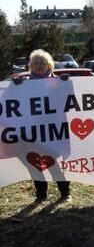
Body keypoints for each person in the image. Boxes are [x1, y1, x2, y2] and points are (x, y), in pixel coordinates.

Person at [13, 49, 72, 203]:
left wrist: (65, 83)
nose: (39, 66)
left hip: (50, 131)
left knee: (52, 162)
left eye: (42, 63)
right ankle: (41, 195)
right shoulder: (24, 85)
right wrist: (16, 87)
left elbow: (68, 99)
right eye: (36, 63)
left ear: (49, 66)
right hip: (31, 132)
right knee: (34, 165)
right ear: (31, 66)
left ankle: (65, 193)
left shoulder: (57, 82)